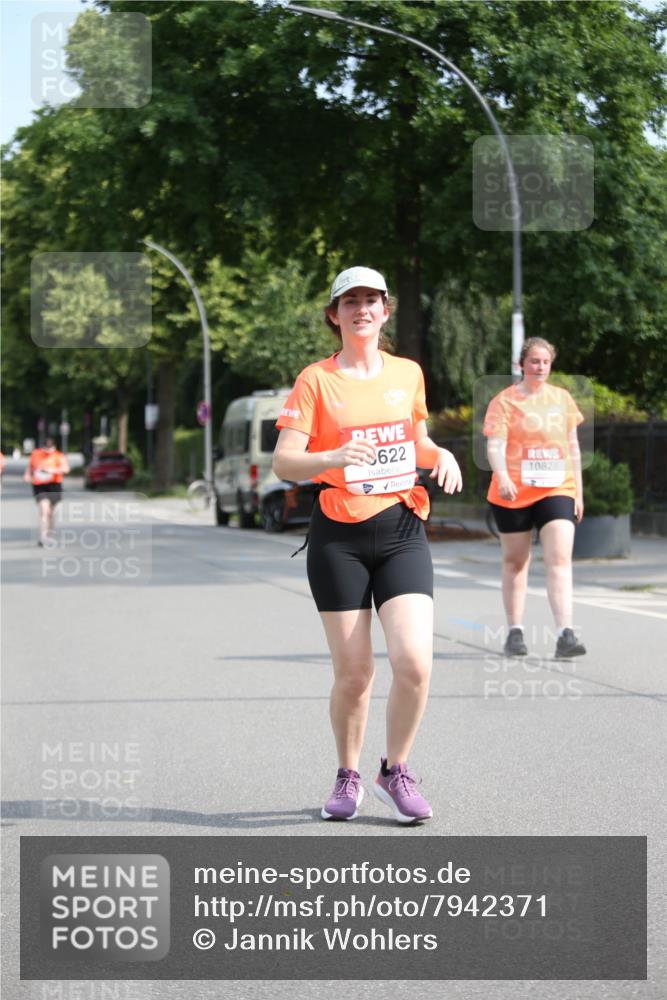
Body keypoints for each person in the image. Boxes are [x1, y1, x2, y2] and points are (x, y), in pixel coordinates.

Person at [273, 266, 462, 824]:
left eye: (371, 300)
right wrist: (330, 458)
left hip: (401, 528)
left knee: (414, 663)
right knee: (355, 674)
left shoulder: (407, 373)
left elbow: (417, 441)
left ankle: (395, 769)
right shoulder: (316, 381)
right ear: (334, 314)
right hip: (339, 536)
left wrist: (441, 455)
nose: (361, 309)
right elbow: (285, 460)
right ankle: (348, 775)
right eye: (349, 301)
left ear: (385, 310)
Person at [483, 337, 586, 659]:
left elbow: (573, 447)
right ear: (521, 365)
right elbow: (495, 444)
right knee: (516, 561)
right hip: (513, 489)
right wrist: (501, 477)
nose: (540, 368)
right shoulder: (505, 401)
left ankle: (565, 634)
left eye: (545, 362)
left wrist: (578, 492)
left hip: (557, 487)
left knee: (559, 558)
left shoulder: (562, 399)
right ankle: (515, 631)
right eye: (534, 362)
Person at [23, 437, 70, 546]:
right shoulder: (36, 454)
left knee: (51, 513)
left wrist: (52, 470)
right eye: (46, 449)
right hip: (39, 485)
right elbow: (30, 466)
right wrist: (27, 474)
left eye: (50, 449)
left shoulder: (58, 455)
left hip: (54, 485)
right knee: (44, 510)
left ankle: (49, 533)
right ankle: (43, 536)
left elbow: (66, 469)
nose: (48, 451)